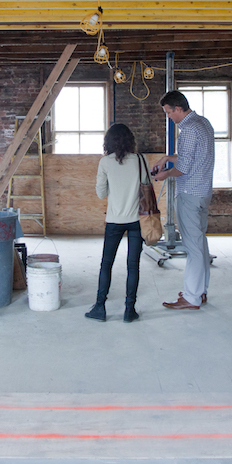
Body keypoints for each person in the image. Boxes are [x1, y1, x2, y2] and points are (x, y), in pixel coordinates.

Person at [151, 90, 214, 311]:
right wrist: (168, 158)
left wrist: (164, 175)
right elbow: (191, 158)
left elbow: (184, 168)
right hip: (203, 192)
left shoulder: (187, 130)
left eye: (169, 112)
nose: (169, 117)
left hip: (189, 194)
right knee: (201, 243)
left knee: (193, 247)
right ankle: (200, 290)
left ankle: (191, 297)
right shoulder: (203, 123)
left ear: (178, 108)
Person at [86, 123, 143, 323]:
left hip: (114, 221)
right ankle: (129, 310)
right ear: (130, 141)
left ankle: (100, 307)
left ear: (108, 142)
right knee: (133, 266)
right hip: (136, 221)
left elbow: (101, 193)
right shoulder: (139, 160)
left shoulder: (105, 163)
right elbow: (145, 187)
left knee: (106, 264)